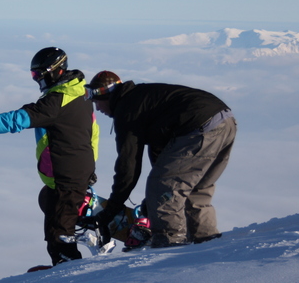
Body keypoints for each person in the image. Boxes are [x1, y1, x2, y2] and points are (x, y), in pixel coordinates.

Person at [0, 47, 99, 266]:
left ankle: (68, 269)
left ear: (54, 71)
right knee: (47, 200)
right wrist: (89, 169)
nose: (37, 80)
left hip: (67, 177)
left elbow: (16, 120)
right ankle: (79, 213)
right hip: (74, 172)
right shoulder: (81, 93)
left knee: (58, 234)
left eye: (38, 75)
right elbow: (93, 133)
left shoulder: (55, 103)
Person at [85, 71, 236, 249]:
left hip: (198, 126)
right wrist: (151, 204)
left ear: (106, 95)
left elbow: (128, 166)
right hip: (226, 121)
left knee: (161, 188)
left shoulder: (127, 109)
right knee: (195, 188)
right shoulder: (143, 99)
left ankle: (170, 245)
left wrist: (111, 209)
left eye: (96, 102)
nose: (97, 109)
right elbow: (164, 157)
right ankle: (206, 242)